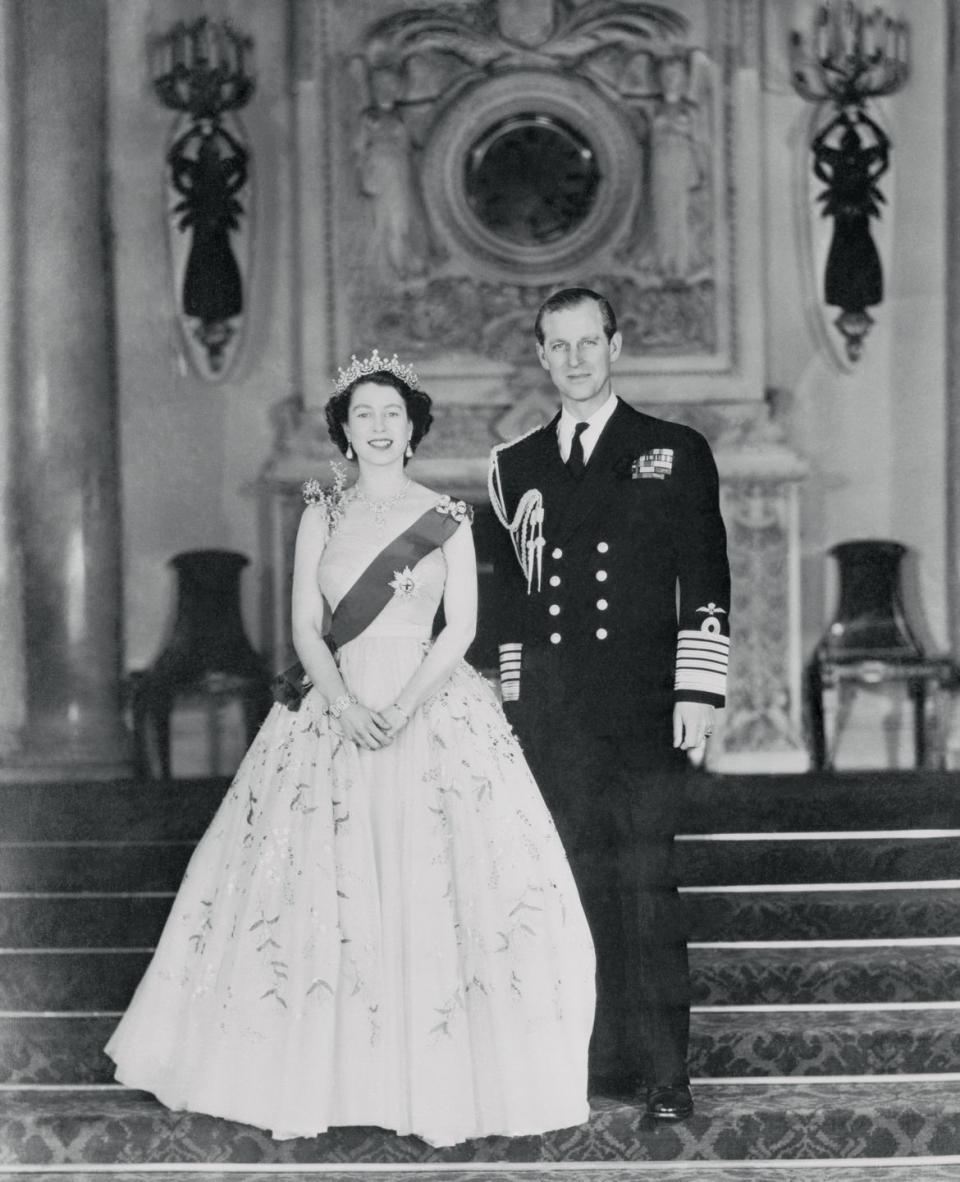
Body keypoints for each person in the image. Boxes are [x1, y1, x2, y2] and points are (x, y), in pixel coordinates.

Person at [106, 350, 595, 1148]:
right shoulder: (320, 515)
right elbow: (304, 625)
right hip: (333, 705)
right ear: (345, 430)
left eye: (390, 415)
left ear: (412, 431)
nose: (377, 428)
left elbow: (463, 627)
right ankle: (327, 1075)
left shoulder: (449, 517)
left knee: (428, 886)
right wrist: (343, 704)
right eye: (362, 414)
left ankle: (430, 1077)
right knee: (318, 890)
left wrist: (401, 707)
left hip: (428, 700)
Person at [487, 288, 730, 1122]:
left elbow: (704, 576)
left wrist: (699, 686)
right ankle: (598, 1058)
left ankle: (665, 1072)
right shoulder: (513, 464)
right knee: (574, 882)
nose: (577, 358)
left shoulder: (671, 449)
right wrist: (512, 704)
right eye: (560, 345)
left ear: (616, 347)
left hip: (643, 701)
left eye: (591, 342)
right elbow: (512, 601)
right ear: (543, 356)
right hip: (554, 710)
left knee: (647, 880)